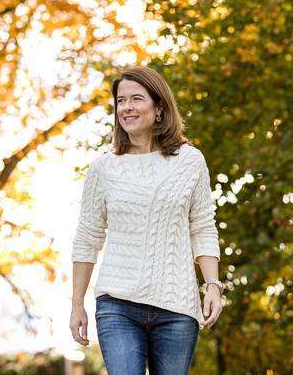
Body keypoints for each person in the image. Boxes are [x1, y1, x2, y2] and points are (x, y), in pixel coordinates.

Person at [69, 66, 223, 375]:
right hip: (118, 305)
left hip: (177, 306)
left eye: (136, 99)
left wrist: (213, 286)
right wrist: (77, 304)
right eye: (121, 100)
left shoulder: (190, 162)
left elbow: (203, 228)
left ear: (159, 107)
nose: (126, 107)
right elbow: (87, 239)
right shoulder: (103, 169)